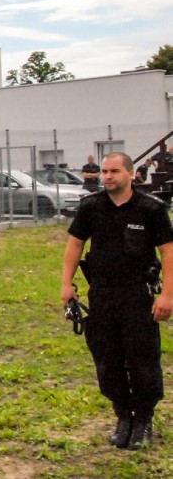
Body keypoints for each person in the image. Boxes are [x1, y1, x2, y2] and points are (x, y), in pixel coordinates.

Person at [61, 152, 173, 450]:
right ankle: (123, 416)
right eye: (104, 172)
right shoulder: (91, 207)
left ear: (131, 174)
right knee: (107, 361)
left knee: (142, 360)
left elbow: (168, 252)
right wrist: (66, 284)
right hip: (102, 294)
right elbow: (75, 244)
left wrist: (167, 295)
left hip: (138, 295)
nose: (107, 176)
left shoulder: (151, 209)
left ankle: (143, 419)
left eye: (114, 171)